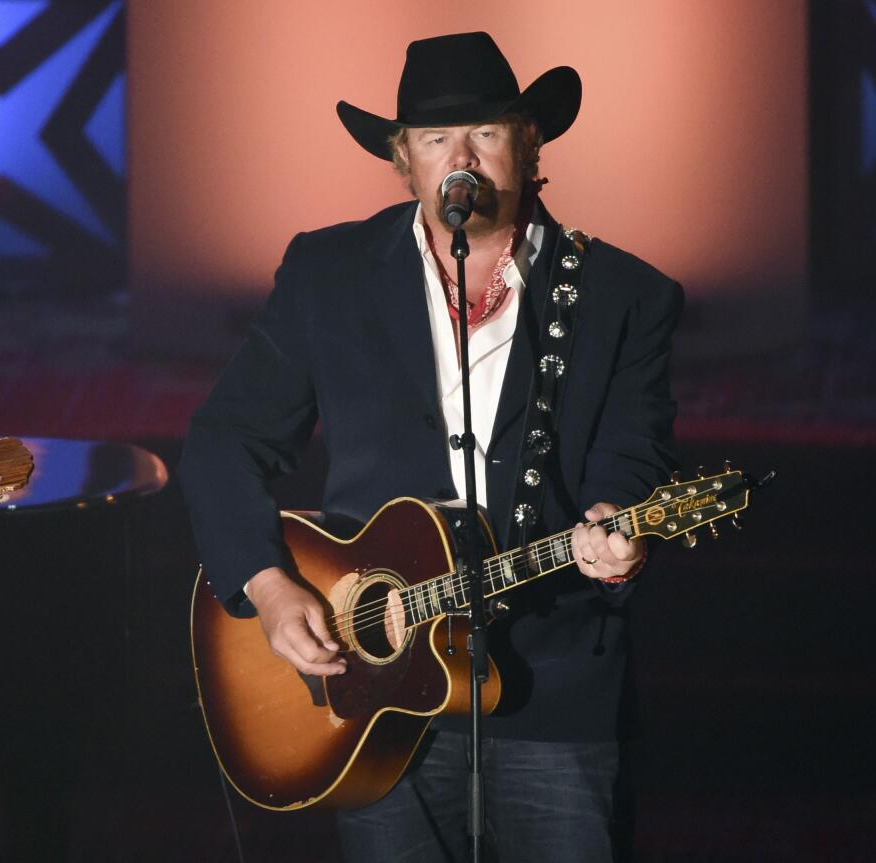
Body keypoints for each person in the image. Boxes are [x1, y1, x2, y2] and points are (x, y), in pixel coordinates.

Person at [179, 31, 683, 863]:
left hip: (553, 688)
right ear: (402, 158)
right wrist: (267, 587)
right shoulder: (328, 272)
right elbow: (226, 438)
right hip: (377, 689)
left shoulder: (623, 294)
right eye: (435, 138)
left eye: (486, 132)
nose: (463, 157)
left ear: (530, 143)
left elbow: (633, 455)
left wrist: (615, 523)